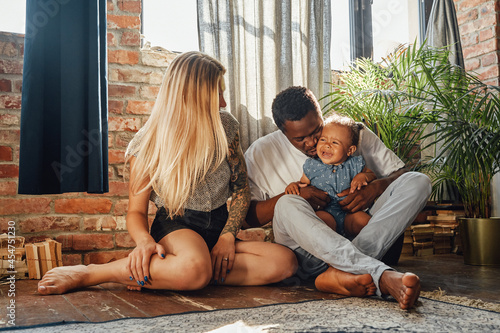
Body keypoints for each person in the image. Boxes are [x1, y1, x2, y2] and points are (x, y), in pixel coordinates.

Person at [37, 52, 297, 295]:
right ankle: (95, 273)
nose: (223, 102)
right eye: (216, 94)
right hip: (177, 227)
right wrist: (144, 242)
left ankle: (180, 272)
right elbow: (136, 213)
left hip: (219, 228)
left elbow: (241, 189)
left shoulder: (227, 126)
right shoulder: (148, 143)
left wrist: (228, 235)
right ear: (192, 95)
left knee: (284, 263)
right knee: (193, 268)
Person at [244, 86, 432, 309]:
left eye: (316, 132)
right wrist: (299, 195)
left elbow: (398, 172)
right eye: (300, 139)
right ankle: (378, 274)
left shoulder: (350, 132)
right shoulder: (261, 152)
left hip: (360, 230)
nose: (313, 143)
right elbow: (249, 217)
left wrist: (376, 187)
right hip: (309, 254)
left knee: (418, 181)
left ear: (321, 115)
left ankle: (340, 273)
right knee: (287, 202)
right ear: (283, 133)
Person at [285, 113, 376, 236]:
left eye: (335, 142)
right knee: (317, 223)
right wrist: (294, 185)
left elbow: (372, 175)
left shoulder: (355, 164)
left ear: (350, 150)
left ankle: (365, 249)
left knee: (366, 223)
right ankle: (330, 249)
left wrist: (364, 176)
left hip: (350, 213)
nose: (327, 145)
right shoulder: (312, 166)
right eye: (323, 139)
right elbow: (303, 185)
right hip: (325, 212)